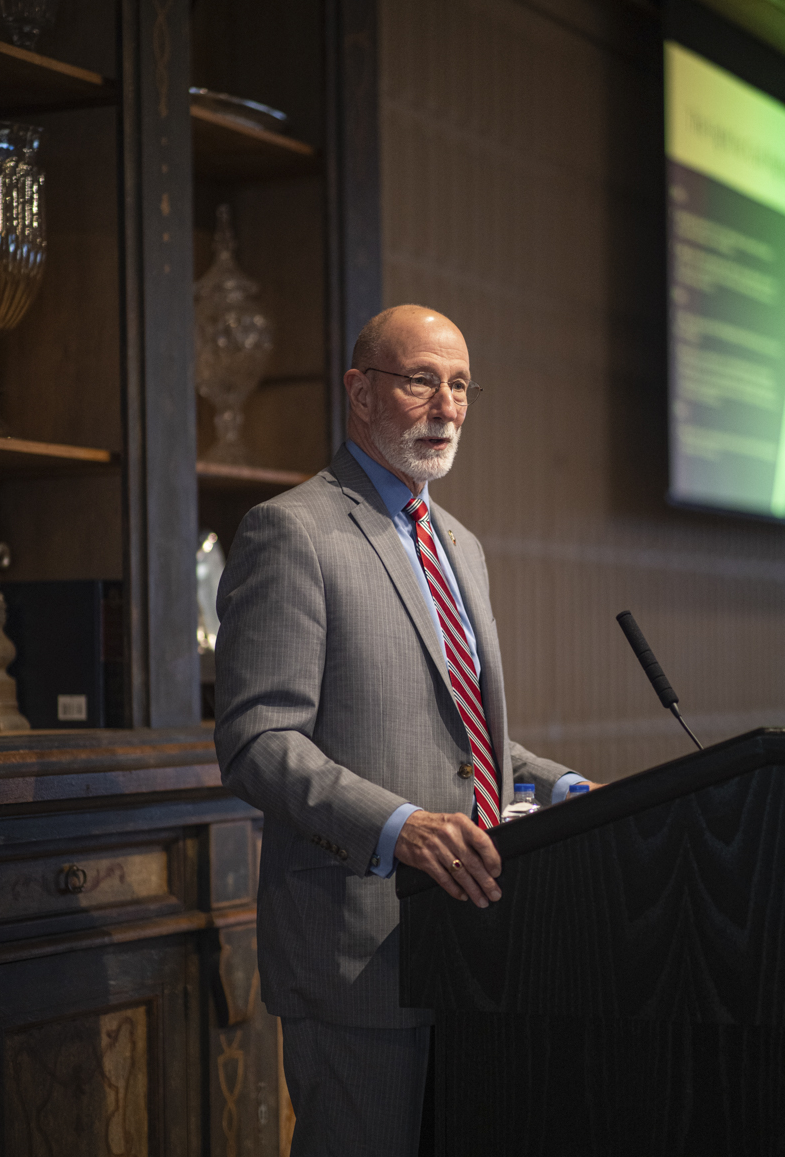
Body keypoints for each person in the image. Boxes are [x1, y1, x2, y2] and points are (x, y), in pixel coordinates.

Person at [214, 304, 599, 1157]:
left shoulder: (458, 542)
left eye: (461, 385)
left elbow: (466, 740)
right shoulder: (292, 532)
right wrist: (400, 827)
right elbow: (257, 742)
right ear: (360, 390)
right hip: (359, 957)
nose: (447, 405)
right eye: (422, 380)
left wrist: (567, 789)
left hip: (477, 949)